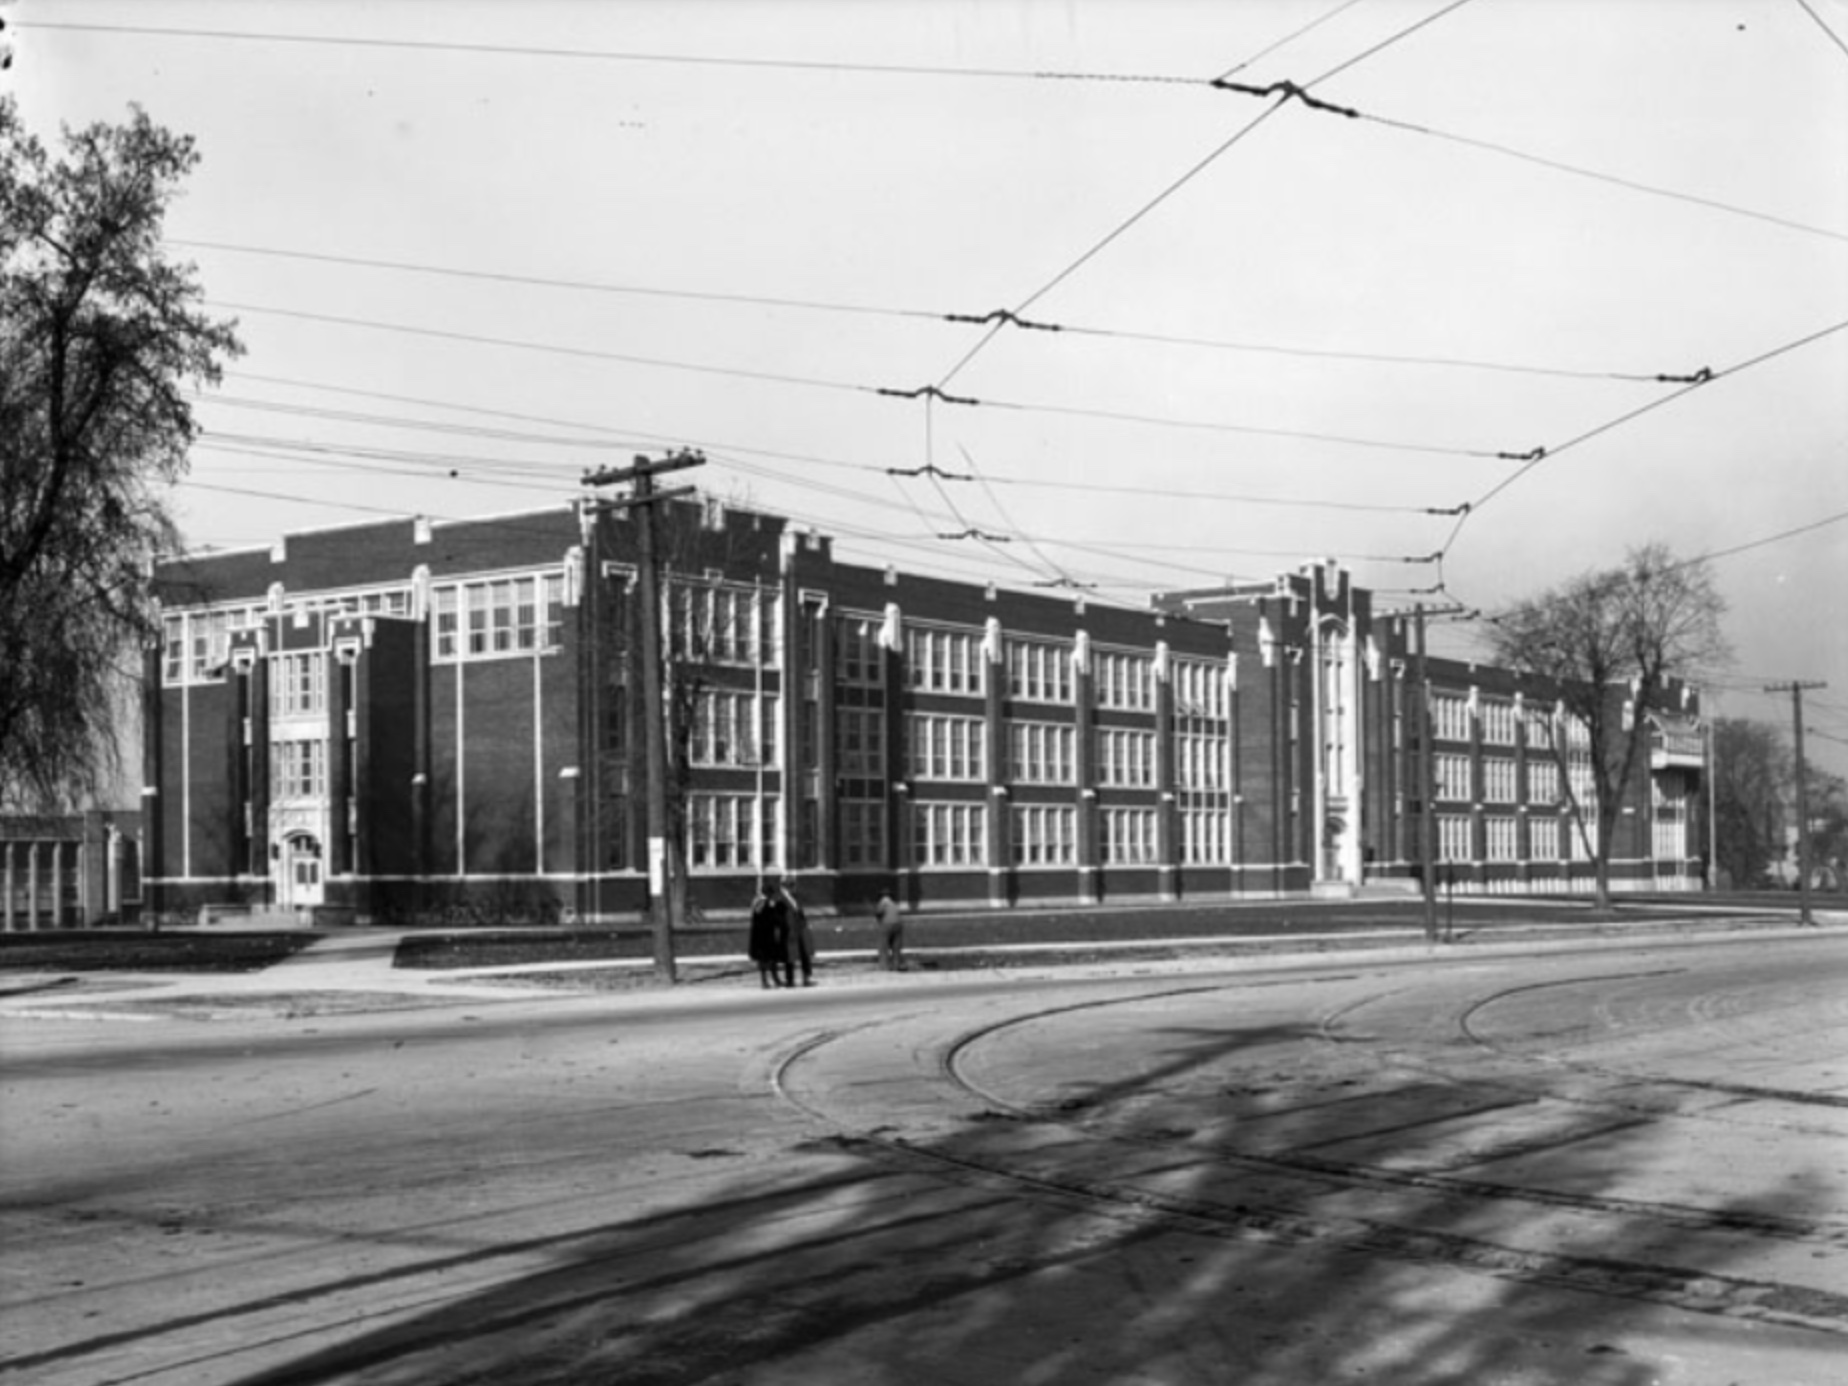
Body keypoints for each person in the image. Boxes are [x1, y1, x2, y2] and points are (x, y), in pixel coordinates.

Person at [747, 882, 788, 989]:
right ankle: (767, 980)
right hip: (763, 935)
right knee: (766, 959)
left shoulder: (759, 902)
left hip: (763, 934)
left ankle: (773, 979)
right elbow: (767, 917)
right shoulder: (763, 902)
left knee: (770, 958)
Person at [777, 876, 815, 987]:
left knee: (804, 953)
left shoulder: (795, 898)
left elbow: (800, 912)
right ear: (786, 886)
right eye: (791, 885)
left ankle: (806, 977)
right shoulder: (780, 899)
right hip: (789, 930)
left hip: (799, 929)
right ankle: (790, 979)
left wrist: (806, 923)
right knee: (790, 956)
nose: (794, 887)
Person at [875, 890, 905, 971]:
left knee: (884, 946)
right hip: (898, 924)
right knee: (896, 946)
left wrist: (879, 921)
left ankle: (884, 966)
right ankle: (897, 964)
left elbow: (878, 912)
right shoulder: (894, 903)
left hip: (887, 924)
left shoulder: (883, 902)